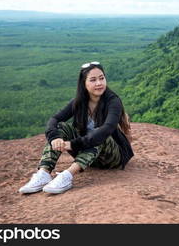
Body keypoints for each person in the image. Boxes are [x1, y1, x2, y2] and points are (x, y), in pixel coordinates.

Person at [19, 61, 134, 194]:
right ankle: (44, 173)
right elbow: (54, 119)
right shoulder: (79, 102)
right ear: (84, 83)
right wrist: (54, 138)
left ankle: (67, 176)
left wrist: (72, 144)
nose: (99, 83)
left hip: (111, 158)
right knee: (61, 127)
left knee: (99, 133)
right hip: (87, 156)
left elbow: (107, 128)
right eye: (93, 80)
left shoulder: (113, 101)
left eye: (102, 78)